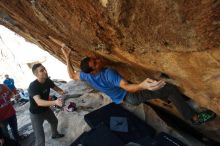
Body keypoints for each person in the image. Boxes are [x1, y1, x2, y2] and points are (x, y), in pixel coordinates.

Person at [61, 46, 216, 125]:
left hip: (122, 98)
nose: (97, 59)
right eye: (95, 62)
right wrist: (143, 85)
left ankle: (175, 102)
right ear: (94, 70)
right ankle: (194, 118)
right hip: (130, 96)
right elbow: (127, 87)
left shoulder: (86, 74)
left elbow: (71, 75)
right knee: (169, 90)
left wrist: (67, 56)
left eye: (93, 58)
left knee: (160, 91)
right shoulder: (109, 73)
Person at [28, 63, 65, 146]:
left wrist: (62, 92)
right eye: (42, 70)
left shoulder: (47, 80)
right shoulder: (33, 86)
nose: (45, 71)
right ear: (36, 74)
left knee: (54, 121)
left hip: (46, 109)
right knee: (40, 138)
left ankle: (55, 134)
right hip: (36, 113)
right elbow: (39, 102)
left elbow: (56, 88)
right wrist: (55, 102)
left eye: (44, 69)